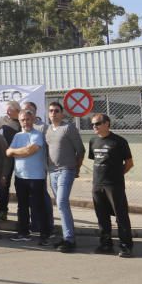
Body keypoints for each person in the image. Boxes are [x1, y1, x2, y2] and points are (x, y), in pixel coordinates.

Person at [89, 113, 134, 257]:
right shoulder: (93, 141)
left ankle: (125, 245)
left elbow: (129, 164)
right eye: (92, 124)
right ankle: (106, 244)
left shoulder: (119, 141)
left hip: (114, 185)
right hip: (97, 185)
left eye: (97, 123)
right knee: (102, 216)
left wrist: (116, 176)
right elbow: (95, 161)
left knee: (121, 216)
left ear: (107, 123)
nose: (94, 127)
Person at [6, 109, 53, 245]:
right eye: (22, 120)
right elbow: (8, 152)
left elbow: (30, 150)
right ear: (19, 121)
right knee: (22, 207)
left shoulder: (37, 135)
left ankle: (45, 234)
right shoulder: (17, 136)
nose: (25, 122)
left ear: (32, 120)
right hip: (20, 177)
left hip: (36, 177)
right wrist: (18, 152)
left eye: (28, 119)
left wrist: (16, 152)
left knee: (38, 207)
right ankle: (23, 232)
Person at [45, 101, 85, 252]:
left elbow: (80, 150)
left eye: (56, 111)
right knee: (61, 205)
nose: (53, 113)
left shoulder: (68, 128)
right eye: (51, 111)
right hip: (52, 171)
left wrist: (77, 168)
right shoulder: (48, 130)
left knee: (62, 202)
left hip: (66, 170)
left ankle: (69, 240)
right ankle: (66, 236)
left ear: (62, 113)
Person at [0, 101, 21, 220]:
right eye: (6, 110)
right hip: (7, 156)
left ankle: (23, 212)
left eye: (9, 110)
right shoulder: (4, 119)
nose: (7, 112)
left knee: (21, 184)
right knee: (4, 183)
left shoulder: (22, 120)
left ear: (17, 110)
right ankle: (3, 211)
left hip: (21, 156)